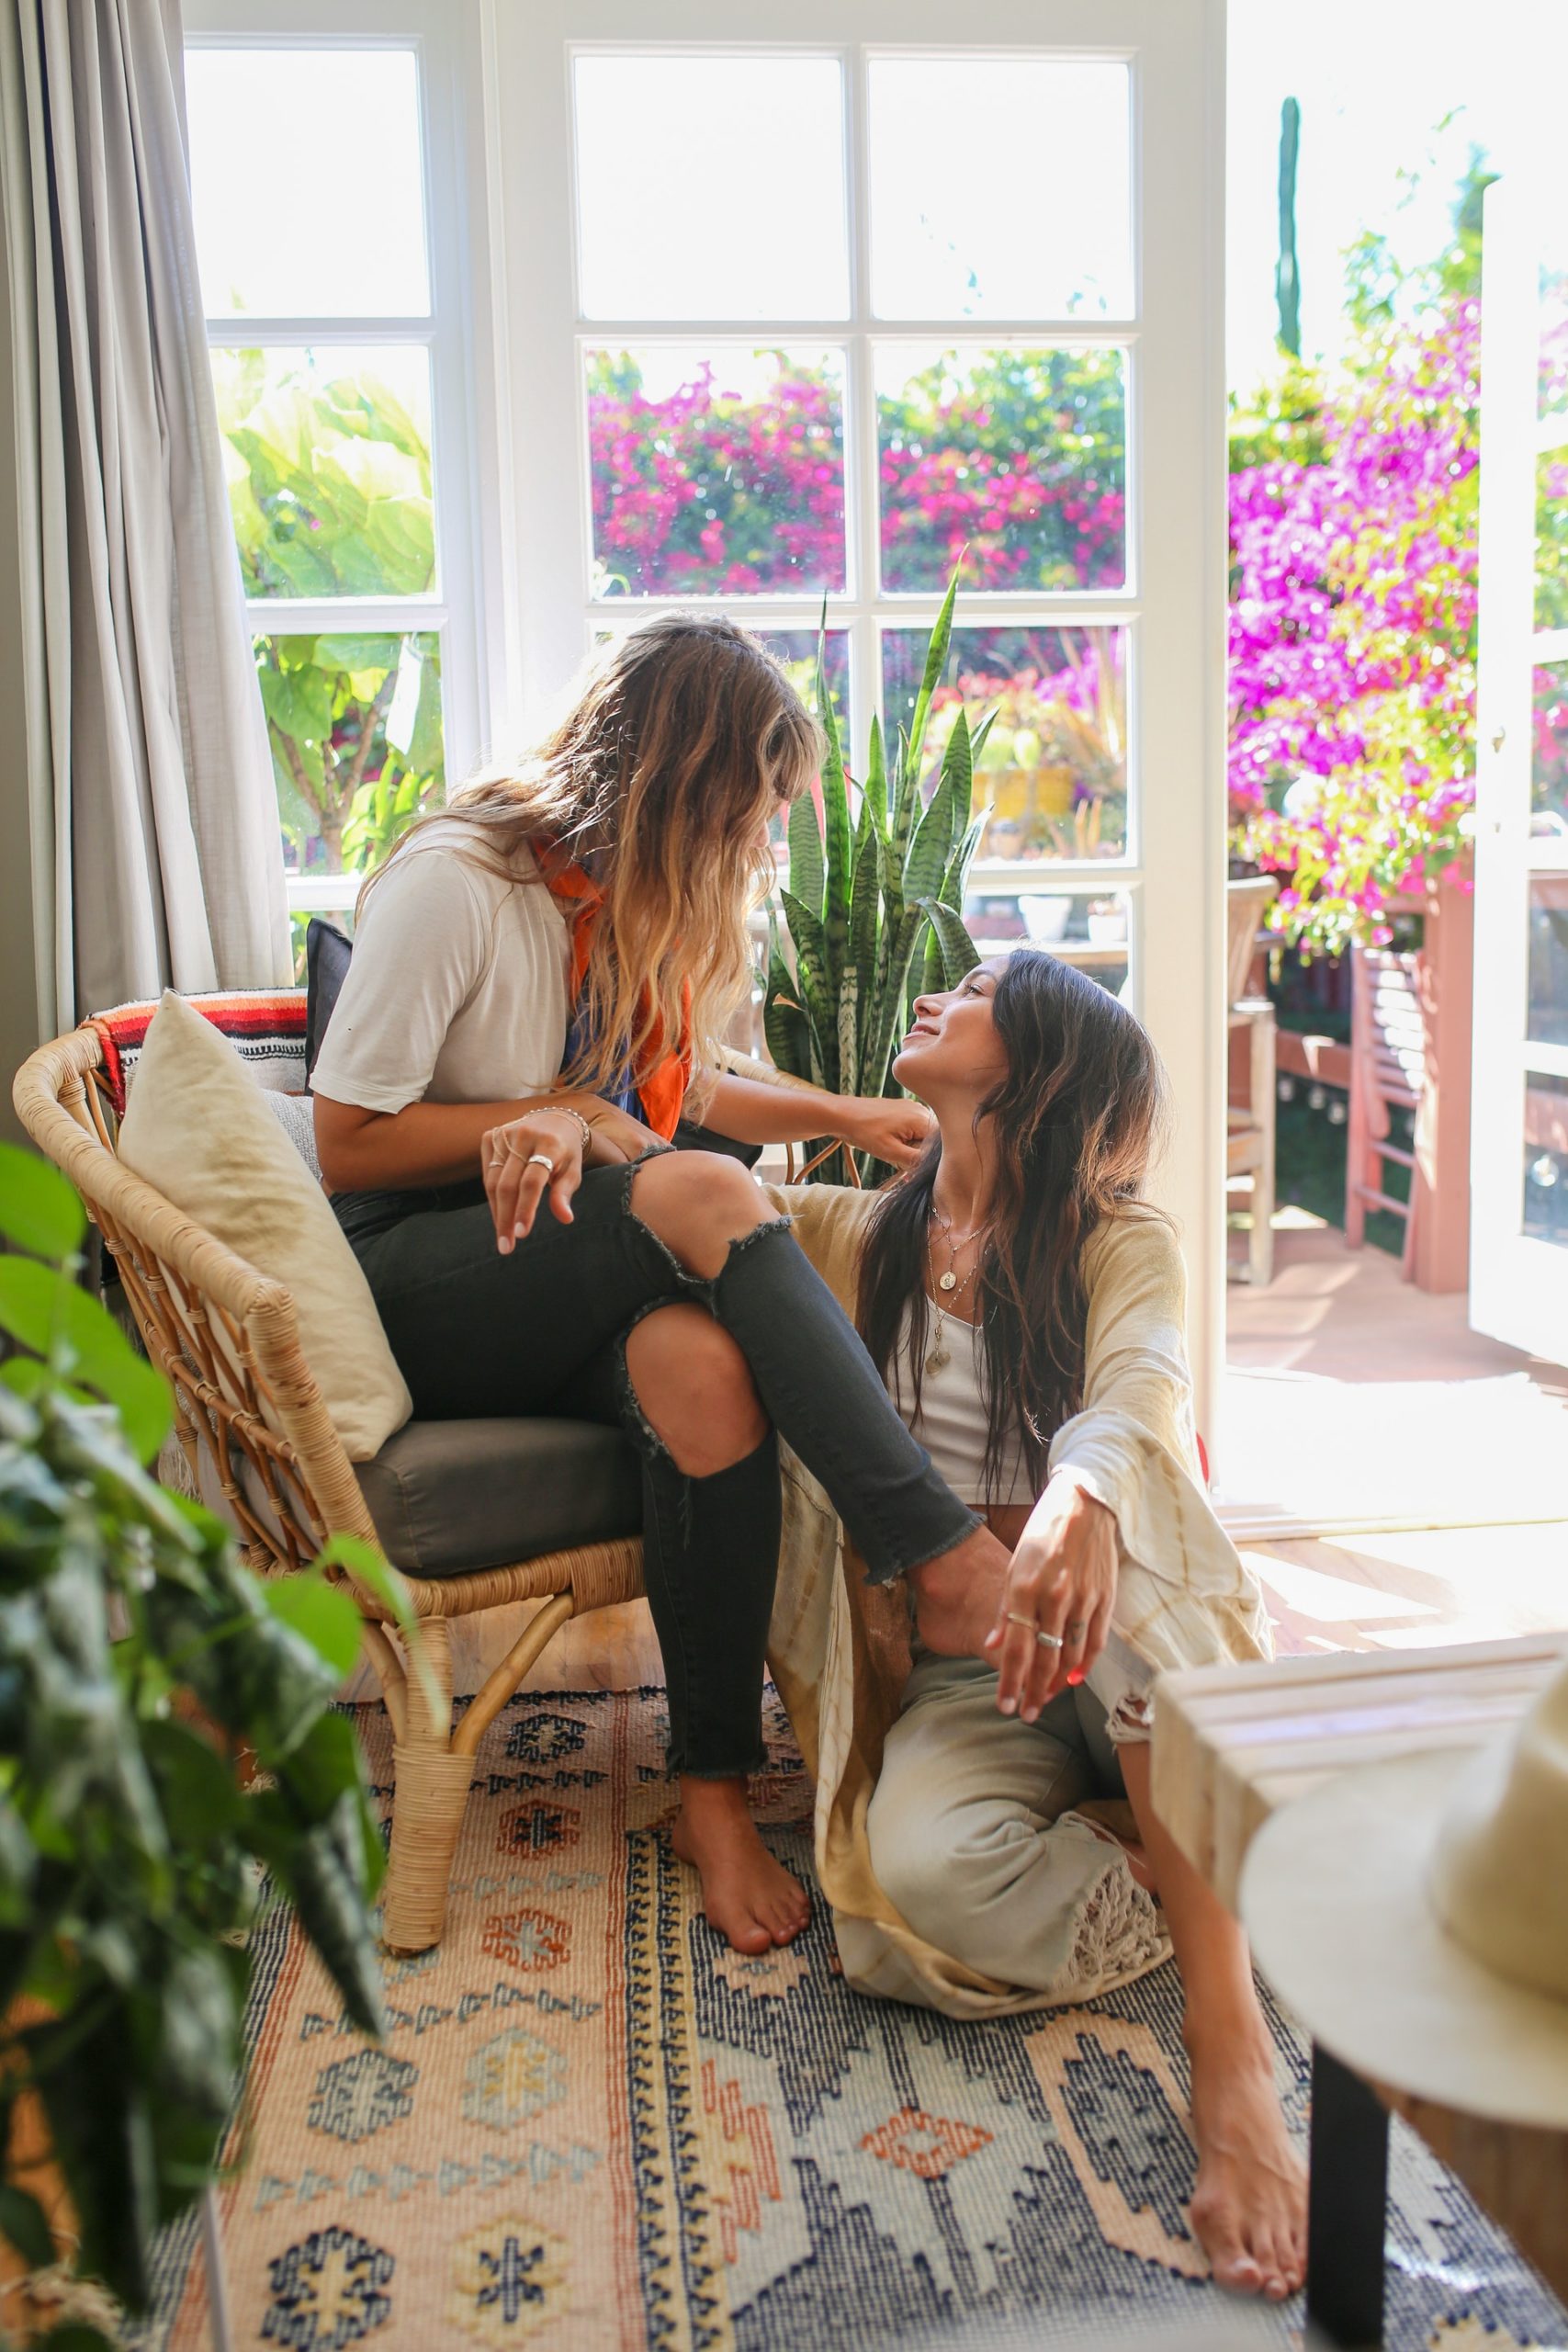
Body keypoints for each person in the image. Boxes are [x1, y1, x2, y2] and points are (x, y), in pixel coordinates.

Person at [310, 614, 1013, 1958]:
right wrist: (559, 1106)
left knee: (706, 1376)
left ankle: (709, 1796)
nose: (762, 845)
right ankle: (932, 1549)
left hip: (568, 1253)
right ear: (680, 782)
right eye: (753, 811)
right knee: (699, 1186)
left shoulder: (649, 900)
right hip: (428, 1268)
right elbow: (349, 1140)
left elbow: (681, 1088)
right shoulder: (458, 881)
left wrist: (852, 1113)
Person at [776, 948, 1307, 2300]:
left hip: (1126, 1639)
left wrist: (1081, 1494)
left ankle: (1230, 2042)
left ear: (1040, 1068)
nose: (938, 992)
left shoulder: (1121, 1239)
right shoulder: (862, 1233)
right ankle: (1179, 1859)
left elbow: (1143, 1378)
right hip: (972, 1683)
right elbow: (705, 1209)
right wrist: (578, 1119)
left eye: (977, 987)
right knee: (917, 1894)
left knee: (1120, 1546)